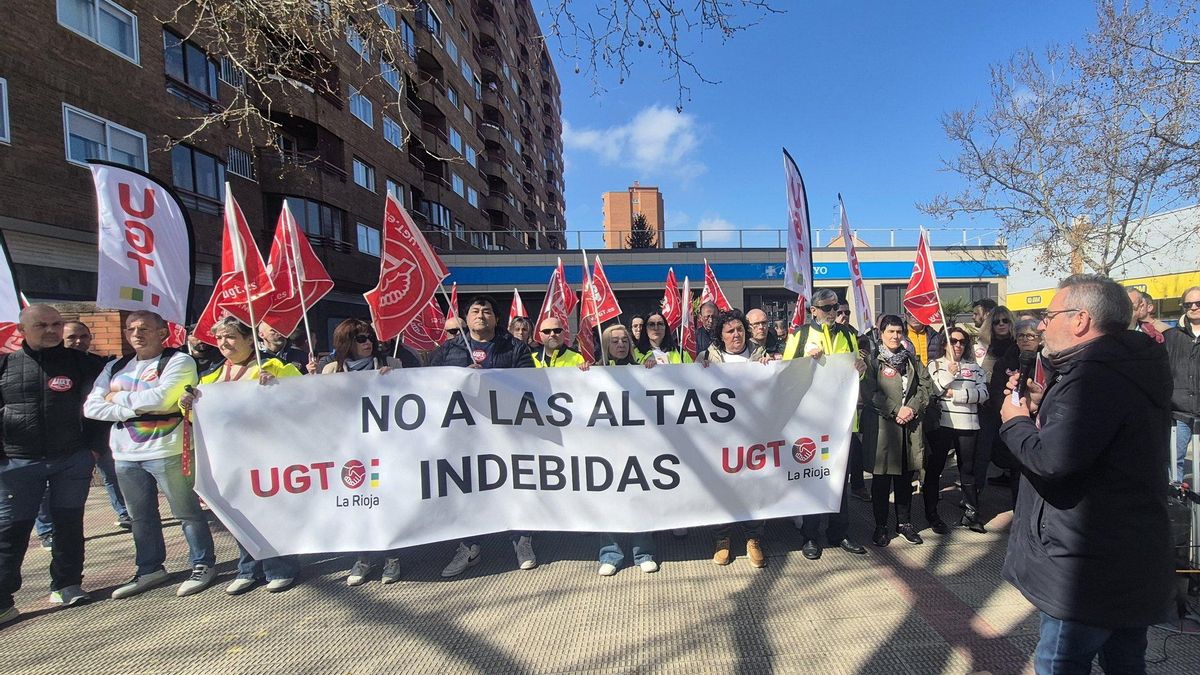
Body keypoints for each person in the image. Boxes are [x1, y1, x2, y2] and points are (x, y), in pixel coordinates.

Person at [999, 274, 1174, 673]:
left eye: (1048, 315)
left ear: (1079, 320)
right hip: (1127, 558)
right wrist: (1048, 408)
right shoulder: (1126, 365)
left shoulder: (1095, 376)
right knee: (1126, 662)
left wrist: (1015, 422)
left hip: (1087, 568)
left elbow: (1053, 461)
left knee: (1061, 663)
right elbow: (1092, 439)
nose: (1042, 325)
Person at [84, 310, 216, 600]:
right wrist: (138, 408)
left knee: (187, 512)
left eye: (144, 328)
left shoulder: (178, 361)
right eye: (131, 329)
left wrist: (115, 400)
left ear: (162, 332)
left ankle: (202, 564)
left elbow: (162, 398)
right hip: (124, 454)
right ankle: (150, 569)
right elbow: (91, 407)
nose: (136, 334)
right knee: (140, 517)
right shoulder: (116, 366)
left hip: (167, 449)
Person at [0, 305, 107, 622]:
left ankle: (68, 585)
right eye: (41, 325)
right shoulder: (5, 365)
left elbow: (98, 410)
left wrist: (94, 450)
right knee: (10, 532)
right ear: (22, 330)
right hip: (18, 464)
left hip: (71, 460)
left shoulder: (85, 364)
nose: (50, 330)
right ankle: (4, 599)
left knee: (69, 526)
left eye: (56, 324)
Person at [180, 317, 301, 595]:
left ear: (250, 340)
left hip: (268, 453)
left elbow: (304, 394)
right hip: (229, 457)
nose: (224, 343)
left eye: (231, 336)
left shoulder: (274, 366)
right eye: (220, 338)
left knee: (272, 511)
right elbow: (190, 417)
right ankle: (248, 569)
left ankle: (280, 568)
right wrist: (185, 403)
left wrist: (279, 384)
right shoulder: (210, 375)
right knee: (238, 513)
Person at [430, 296, 536, 577]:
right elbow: (429, 385)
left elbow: (528, 383)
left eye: (487, 311)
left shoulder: (515, 348)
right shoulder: (448, 350)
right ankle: (469, 546)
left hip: (506, 431)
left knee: (514, 484)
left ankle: (522, 540)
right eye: (475, 311)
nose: (481, 315)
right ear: (466, 317)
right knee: (470, 488)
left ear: (496, 318)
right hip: (465, 434)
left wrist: (491, 378)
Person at [315, 319, 406, 585]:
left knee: (385, 504)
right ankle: (363, 558)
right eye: (360, 339)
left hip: (384, 448)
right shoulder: (330, 370)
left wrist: (397, 381)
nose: (368, 343)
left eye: (370, 338)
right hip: (349, 451)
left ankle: (392, 558)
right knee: (358, 506)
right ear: (346, 343)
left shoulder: (393, 364)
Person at [780, 289, 868, 558]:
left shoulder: (848, 335)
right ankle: (810, 536)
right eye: (827, 308)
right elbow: (786, 372)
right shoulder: (800, 335)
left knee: (841, 481)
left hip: (842, 422)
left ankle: (839, 533)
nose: (834, 313)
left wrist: (861, 370)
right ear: (813, 311)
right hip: (811, 422)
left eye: (837, 308)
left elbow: (856, 376)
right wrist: (806, 361)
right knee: (812, 478)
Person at [34, 321, 130, 552]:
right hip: (62, 440)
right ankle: (47, 531)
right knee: (46, 490)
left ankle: (124, 513)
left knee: (112, 475)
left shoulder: (98, 365)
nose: (79, 341)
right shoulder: (48, 365)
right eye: (72, 337)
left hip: (98, 433)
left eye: (84, 336)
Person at [590, 325, 659, 576]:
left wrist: (653, 371)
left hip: (638, 446)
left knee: (640, 499)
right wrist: (582, 375)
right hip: (606, 448)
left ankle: (644, 553)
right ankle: (610, 554)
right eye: (614, 341)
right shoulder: (594, 372)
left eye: (624, 341)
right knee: (608, 500)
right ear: (606, 345)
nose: (620, 345)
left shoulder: (643, 369)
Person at [705, 309, 769, 568]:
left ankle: (753, 538)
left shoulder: (760, 357)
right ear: (721, 335)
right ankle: (723, 539)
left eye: (740, 329)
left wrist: (772, 369)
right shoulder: (707, 359)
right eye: (730, 331)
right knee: (723, 488)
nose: (736, 335)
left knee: (754, 487)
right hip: (720, 438)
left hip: (754, 436)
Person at [862, 314, 931, 547]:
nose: (895, 336)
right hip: (883, 429)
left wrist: (911, 408)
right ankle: (881, 525)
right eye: (890, 331)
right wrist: (895, 410)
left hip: (908, 429)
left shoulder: (911, 359)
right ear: (881, 334)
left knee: (905, 479)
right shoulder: (873, 360)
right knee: (881, 482)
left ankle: (905, 524)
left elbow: (925, 385)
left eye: (899, 332)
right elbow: (869, 392)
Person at [924, 326, 989, 534]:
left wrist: (956, 395)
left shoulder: (975, 367)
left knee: (967, 471)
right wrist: (948, 377)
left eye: (962, 341)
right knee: (935, 470)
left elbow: (983, 394)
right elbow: (934, 390)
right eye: (953, 341)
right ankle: (932, 513)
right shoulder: (935, 364)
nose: (958, 345)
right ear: (944, 343)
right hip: (943, 423)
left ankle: (972, 514)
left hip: (969, 425)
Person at [1165, 286, 1200, 482]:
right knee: (1173, 461)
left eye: (1198, 303)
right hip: (1179, 412)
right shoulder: (1171, 337)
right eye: (1189, 304)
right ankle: (1177, 504)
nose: (1194, 307)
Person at [977, 305, 1016, 378]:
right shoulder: (983, 347)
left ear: (1011, 323)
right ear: (991, 325)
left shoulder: (1018, 345)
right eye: (996, 322)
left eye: (1005, 321)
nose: (1001, 324)